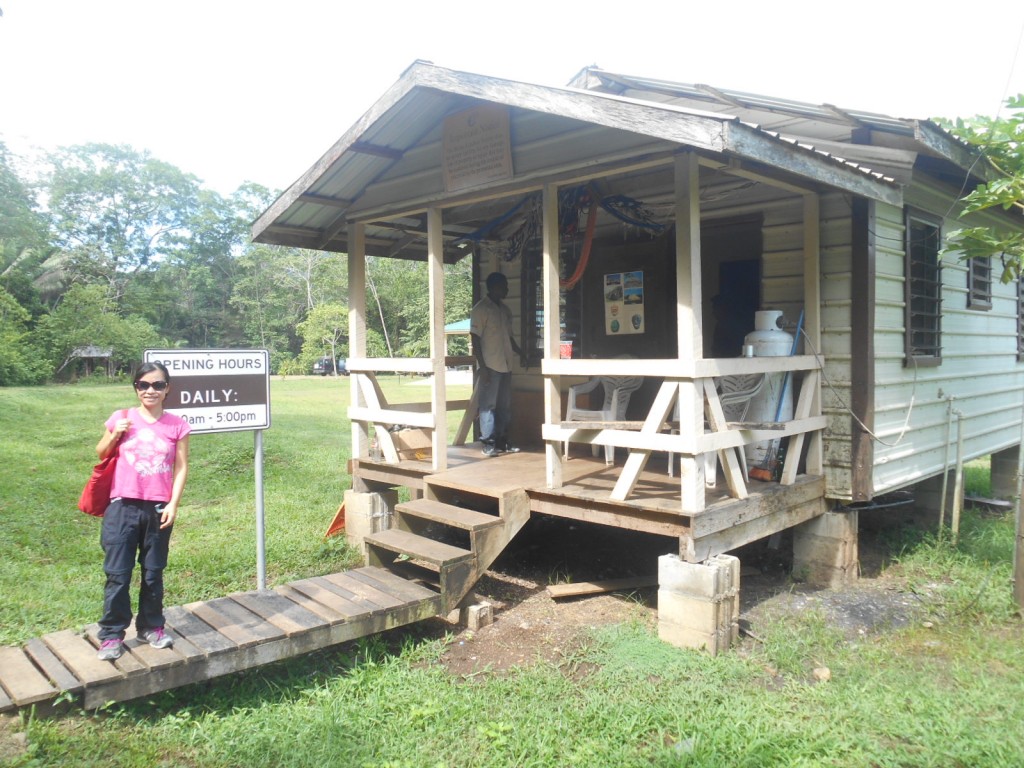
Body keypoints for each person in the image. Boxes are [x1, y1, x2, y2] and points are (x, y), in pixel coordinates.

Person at [95, 362, 191, 661]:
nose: (150, 390)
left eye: (157, 385)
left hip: (158, 508)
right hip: (123, 505)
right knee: (118, 574)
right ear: (136, 388)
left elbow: (181, 466)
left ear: (167, 389)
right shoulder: (121, 418)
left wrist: (173, 504)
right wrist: (115, 434)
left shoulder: (177, 425)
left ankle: (151, 627)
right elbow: (101, 452)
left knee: (153, 573)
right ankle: (111, 634)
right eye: (143, 385)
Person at [470, 272, 522, 456]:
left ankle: (502, 440)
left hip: (506, 364)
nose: (507, 289)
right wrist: (482, 367)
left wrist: (521, 352)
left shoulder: (505, 310)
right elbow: (475, 339)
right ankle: (488, 442)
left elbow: (509, 337)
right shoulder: (481, 309)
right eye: (504, 285)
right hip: (490, 366)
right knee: (488, 405)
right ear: (493, 287)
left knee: (504, 406)